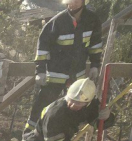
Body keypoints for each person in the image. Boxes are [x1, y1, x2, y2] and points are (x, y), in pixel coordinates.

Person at [26, 0, 103, 133]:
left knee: (72, 110)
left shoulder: (92, 20)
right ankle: (29, 137)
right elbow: (43, 48)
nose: (72, 2)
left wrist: (95, 65)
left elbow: (95, 45)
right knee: (42, 107)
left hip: (76, 76)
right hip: (55, 75)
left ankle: (62, 138)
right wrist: (41, 71)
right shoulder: (57, 21)